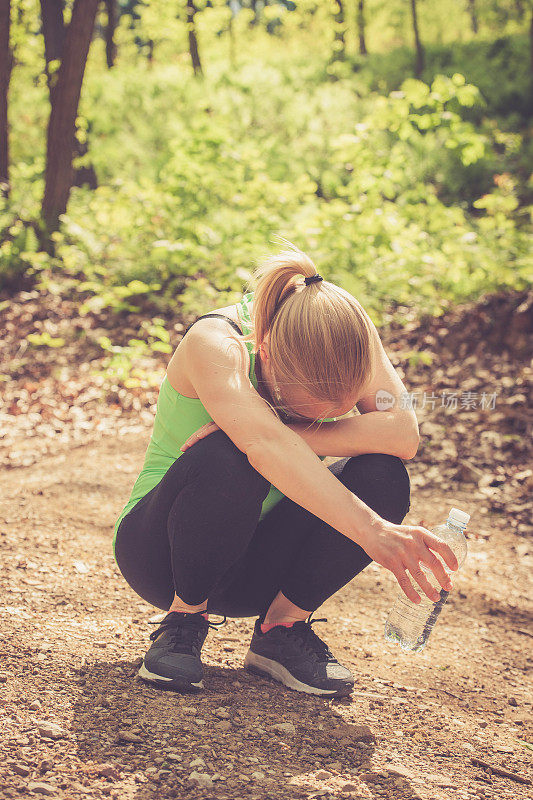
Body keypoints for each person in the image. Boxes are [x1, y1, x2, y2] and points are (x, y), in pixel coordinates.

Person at [112, 244, 458, 699]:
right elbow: (263, 447)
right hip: (163, 555)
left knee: (383, 472)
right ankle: (183, 620)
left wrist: (288, 430)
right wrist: (373, 532)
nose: (326, 419)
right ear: (267, 354)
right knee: (231, 454)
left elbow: (401, 434)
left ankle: (281, 628)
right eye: (306, 410)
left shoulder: (343, 332)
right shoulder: (215, 343)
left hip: (258, 568)